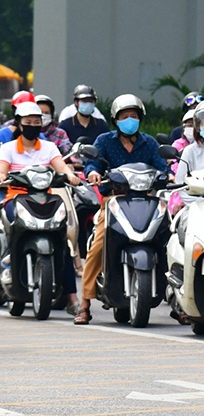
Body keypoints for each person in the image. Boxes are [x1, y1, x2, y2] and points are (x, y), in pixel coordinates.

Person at [74, 94, 168, 325]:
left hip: (147, 200)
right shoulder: (105, 141)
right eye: (125, 116)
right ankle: (85, 304)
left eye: (133, 116)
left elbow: (162, 166)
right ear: (116, 120)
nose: (129, 120)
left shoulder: (149, 143)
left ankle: (177, 300)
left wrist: (169, 174)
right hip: (115, 201)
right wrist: (93, 172)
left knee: (168, 240)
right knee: (98, 245)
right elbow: (92, 163)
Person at [1, 93, 84, 313]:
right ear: (19, 124)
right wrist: (2, 176)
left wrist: (70, 175)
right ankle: (8, 262)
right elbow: (2, 170)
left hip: (46, 198)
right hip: (16, 198)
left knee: (62, 240)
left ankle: (72, 298)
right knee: (10, 230)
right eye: (28, 123)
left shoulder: (48, 147)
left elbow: (61, 167)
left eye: (36, 122)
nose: (32, 126)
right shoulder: (8, 148)